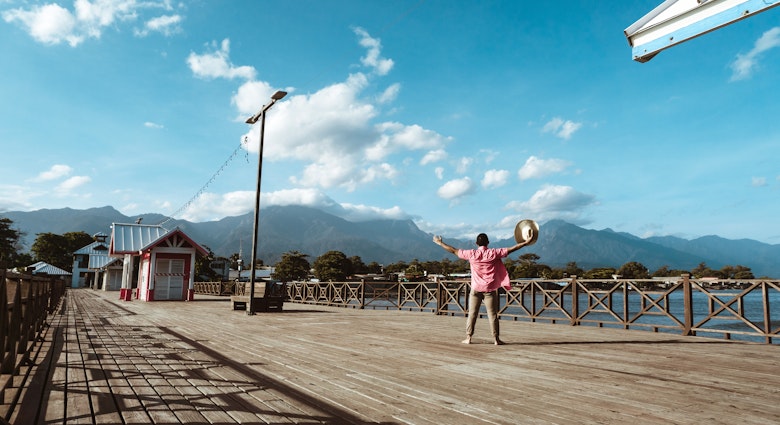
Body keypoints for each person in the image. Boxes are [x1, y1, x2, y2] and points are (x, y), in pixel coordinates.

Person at [433, 233, 530, 345]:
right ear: (488, 243)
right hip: (489, 289)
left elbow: (453, 250)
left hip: (476, 289)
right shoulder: (493, 253)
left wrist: (440, 243)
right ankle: (496, 339)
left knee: (472, 314)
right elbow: (511, 249)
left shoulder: (471, 254)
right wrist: (525, 243)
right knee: (492, 315)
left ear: (476, 243)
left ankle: (469, 338)